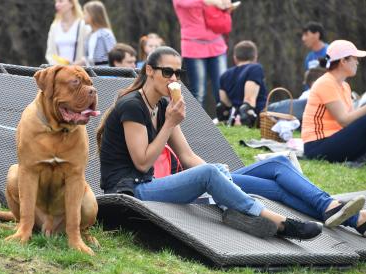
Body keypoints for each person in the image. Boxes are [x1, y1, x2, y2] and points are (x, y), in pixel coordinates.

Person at [96, 46, 334, 241]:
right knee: (210, 172)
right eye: (167, 72)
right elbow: (141, 162)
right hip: (129, 192)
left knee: (215, 169)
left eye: (178, 73)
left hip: (147, 184)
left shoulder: (161, 107)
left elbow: (188, 156)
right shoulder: (132, 106)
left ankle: (237, 211)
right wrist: (169, 123)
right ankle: (280, 223)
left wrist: (222, 176)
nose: (174, 79)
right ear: (149, 70)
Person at [302, 40, 366, 164]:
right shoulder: (326, 83)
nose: (357, 62)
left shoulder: (345, 86)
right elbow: (344, 120)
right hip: (316, 146)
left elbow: (352, 122)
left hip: (332, 141)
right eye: (354, 58)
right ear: (343, 61)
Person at [172, 0, 231, 110]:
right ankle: (198, 124)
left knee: (222, 88)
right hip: (193, 47)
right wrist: (215, 2)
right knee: (198, 91)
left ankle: (226, 119)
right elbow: (188, 3)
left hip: (217, 45)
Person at [216, 40, 266, 127]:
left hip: (234, 118)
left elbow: (223, 105)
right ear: (255, 57)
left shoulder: (224, 75)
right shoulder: (255, 68)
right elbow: (249, 100)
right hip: (256, 118)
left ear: (235, 58)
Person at [45, 0, 90, 65]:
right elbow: (49, 54)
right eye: (56, 2)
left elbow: (90, 55)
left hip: (79, 72)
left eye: (60, 1)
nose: (56, 5)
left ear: (72, 4)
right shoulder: (54, 26)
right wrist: (58, 67)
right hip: (59, 72)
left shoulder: (83, 25)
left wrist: (76, 64)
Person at [83, 1, 116, 66]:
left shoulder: (105, 33)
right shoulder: (88, 35)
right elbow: (87, 56)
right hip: (91, 71)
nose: (83, 16)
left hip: (105, 72)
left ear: (93, 15)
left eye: (85, 13)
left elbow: (113, 55)